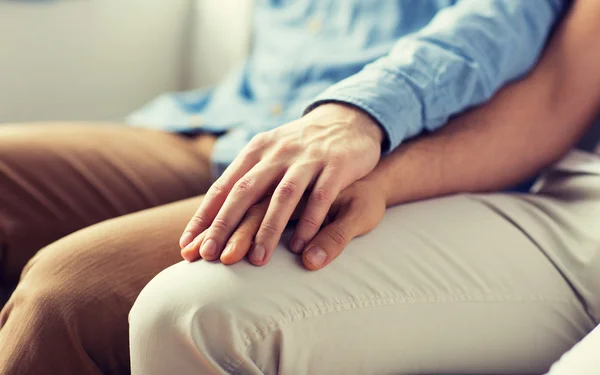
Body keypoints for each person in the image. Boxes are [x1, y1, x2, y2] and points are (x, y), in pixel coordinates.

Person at [0, 0, 597, 374]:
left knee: (71, 290)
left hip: (365, 147)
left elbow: (505, 24)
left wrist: (355, 116)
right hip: (231, 120)